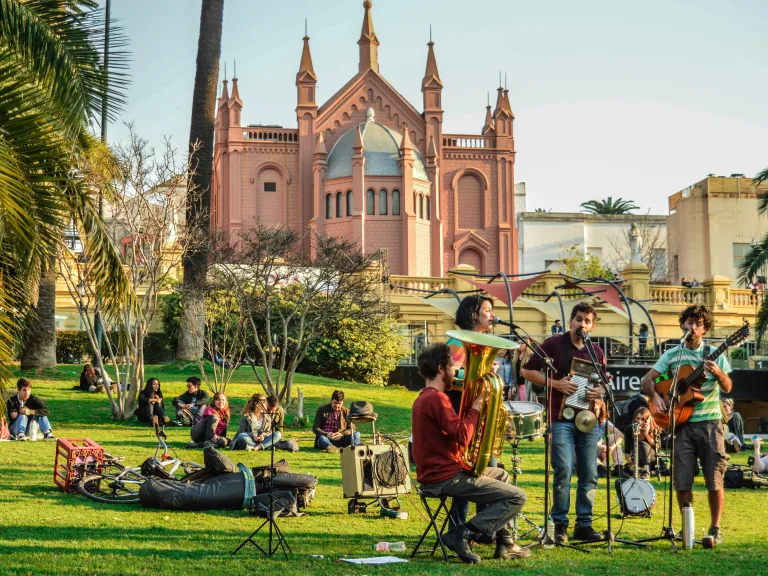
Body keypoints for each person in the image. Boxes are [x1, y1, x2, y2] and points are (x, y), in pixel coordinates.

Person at [411, 342, 530, 563]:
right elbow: (463, 435)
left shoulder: (422, 398)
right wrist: (477, 406)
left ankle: (503, 541)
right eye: (451, 367)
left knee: (502, 475)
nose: (454, 372)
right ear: (440, 369)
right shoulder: (436, 399)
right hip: (445, 478)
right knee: (517, 496)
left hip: (442, 472)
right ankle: (462, 533)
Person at [641, 305, 731, 544]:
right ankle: (687, 527)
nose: (693, 327)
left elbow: (729, 387)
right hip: (680, 426)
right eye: (690, 322)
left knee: (714, 479)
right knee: (681, 481)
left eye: (698, 324)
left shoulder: (715, 354)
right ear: (683, 324)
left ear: (705, 328)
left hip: (710, 424)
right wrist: (657, 397)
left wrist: (719, 374)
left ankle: (715, 528)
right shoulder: (672, 354)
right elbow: (646, 380)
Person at [521, 302, 606, 543]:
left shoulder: (596, 352)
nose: (582, 324)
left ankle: (584, 525)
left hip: (588, 420)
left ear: (592, 325)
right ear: (571, 321)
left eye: (587, 321)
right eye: (578, 319)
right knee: (564, 470)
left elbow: (601, 384)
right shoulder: (553, 344)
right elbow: (528, 371)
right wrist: (556, 383)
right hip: (561, 420)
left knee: (590, 473)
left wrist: (596, 393)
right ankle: (558, 524)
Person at [445, 294, 499, 532]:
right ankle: (460, 529)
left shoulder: (486, 342)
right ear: (474, 314)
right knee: (469, 473)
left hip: (480, 414)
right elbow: (449, 376)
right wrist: (475, 379)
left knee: (486, 470)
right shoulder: (458, 343)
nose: (492, 315)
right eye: (487, 310)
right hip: (464, 413)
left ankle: (480, 528)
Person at [622, 407, 658, 475]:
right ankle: (648, 472)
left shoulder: (653, 428)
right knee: (627, 469)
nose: (639, 422)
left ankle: (646, 470)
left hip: (652, 458)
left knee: (642, 444)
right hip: (637, 458)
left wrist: (646, 434)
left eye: (643, 419)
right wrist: (630, 460)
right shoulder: (629, 429)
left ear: (647, 420)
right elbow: (627, 452)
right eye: (637, 418)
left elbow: (657, 449)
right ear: (634, 418)